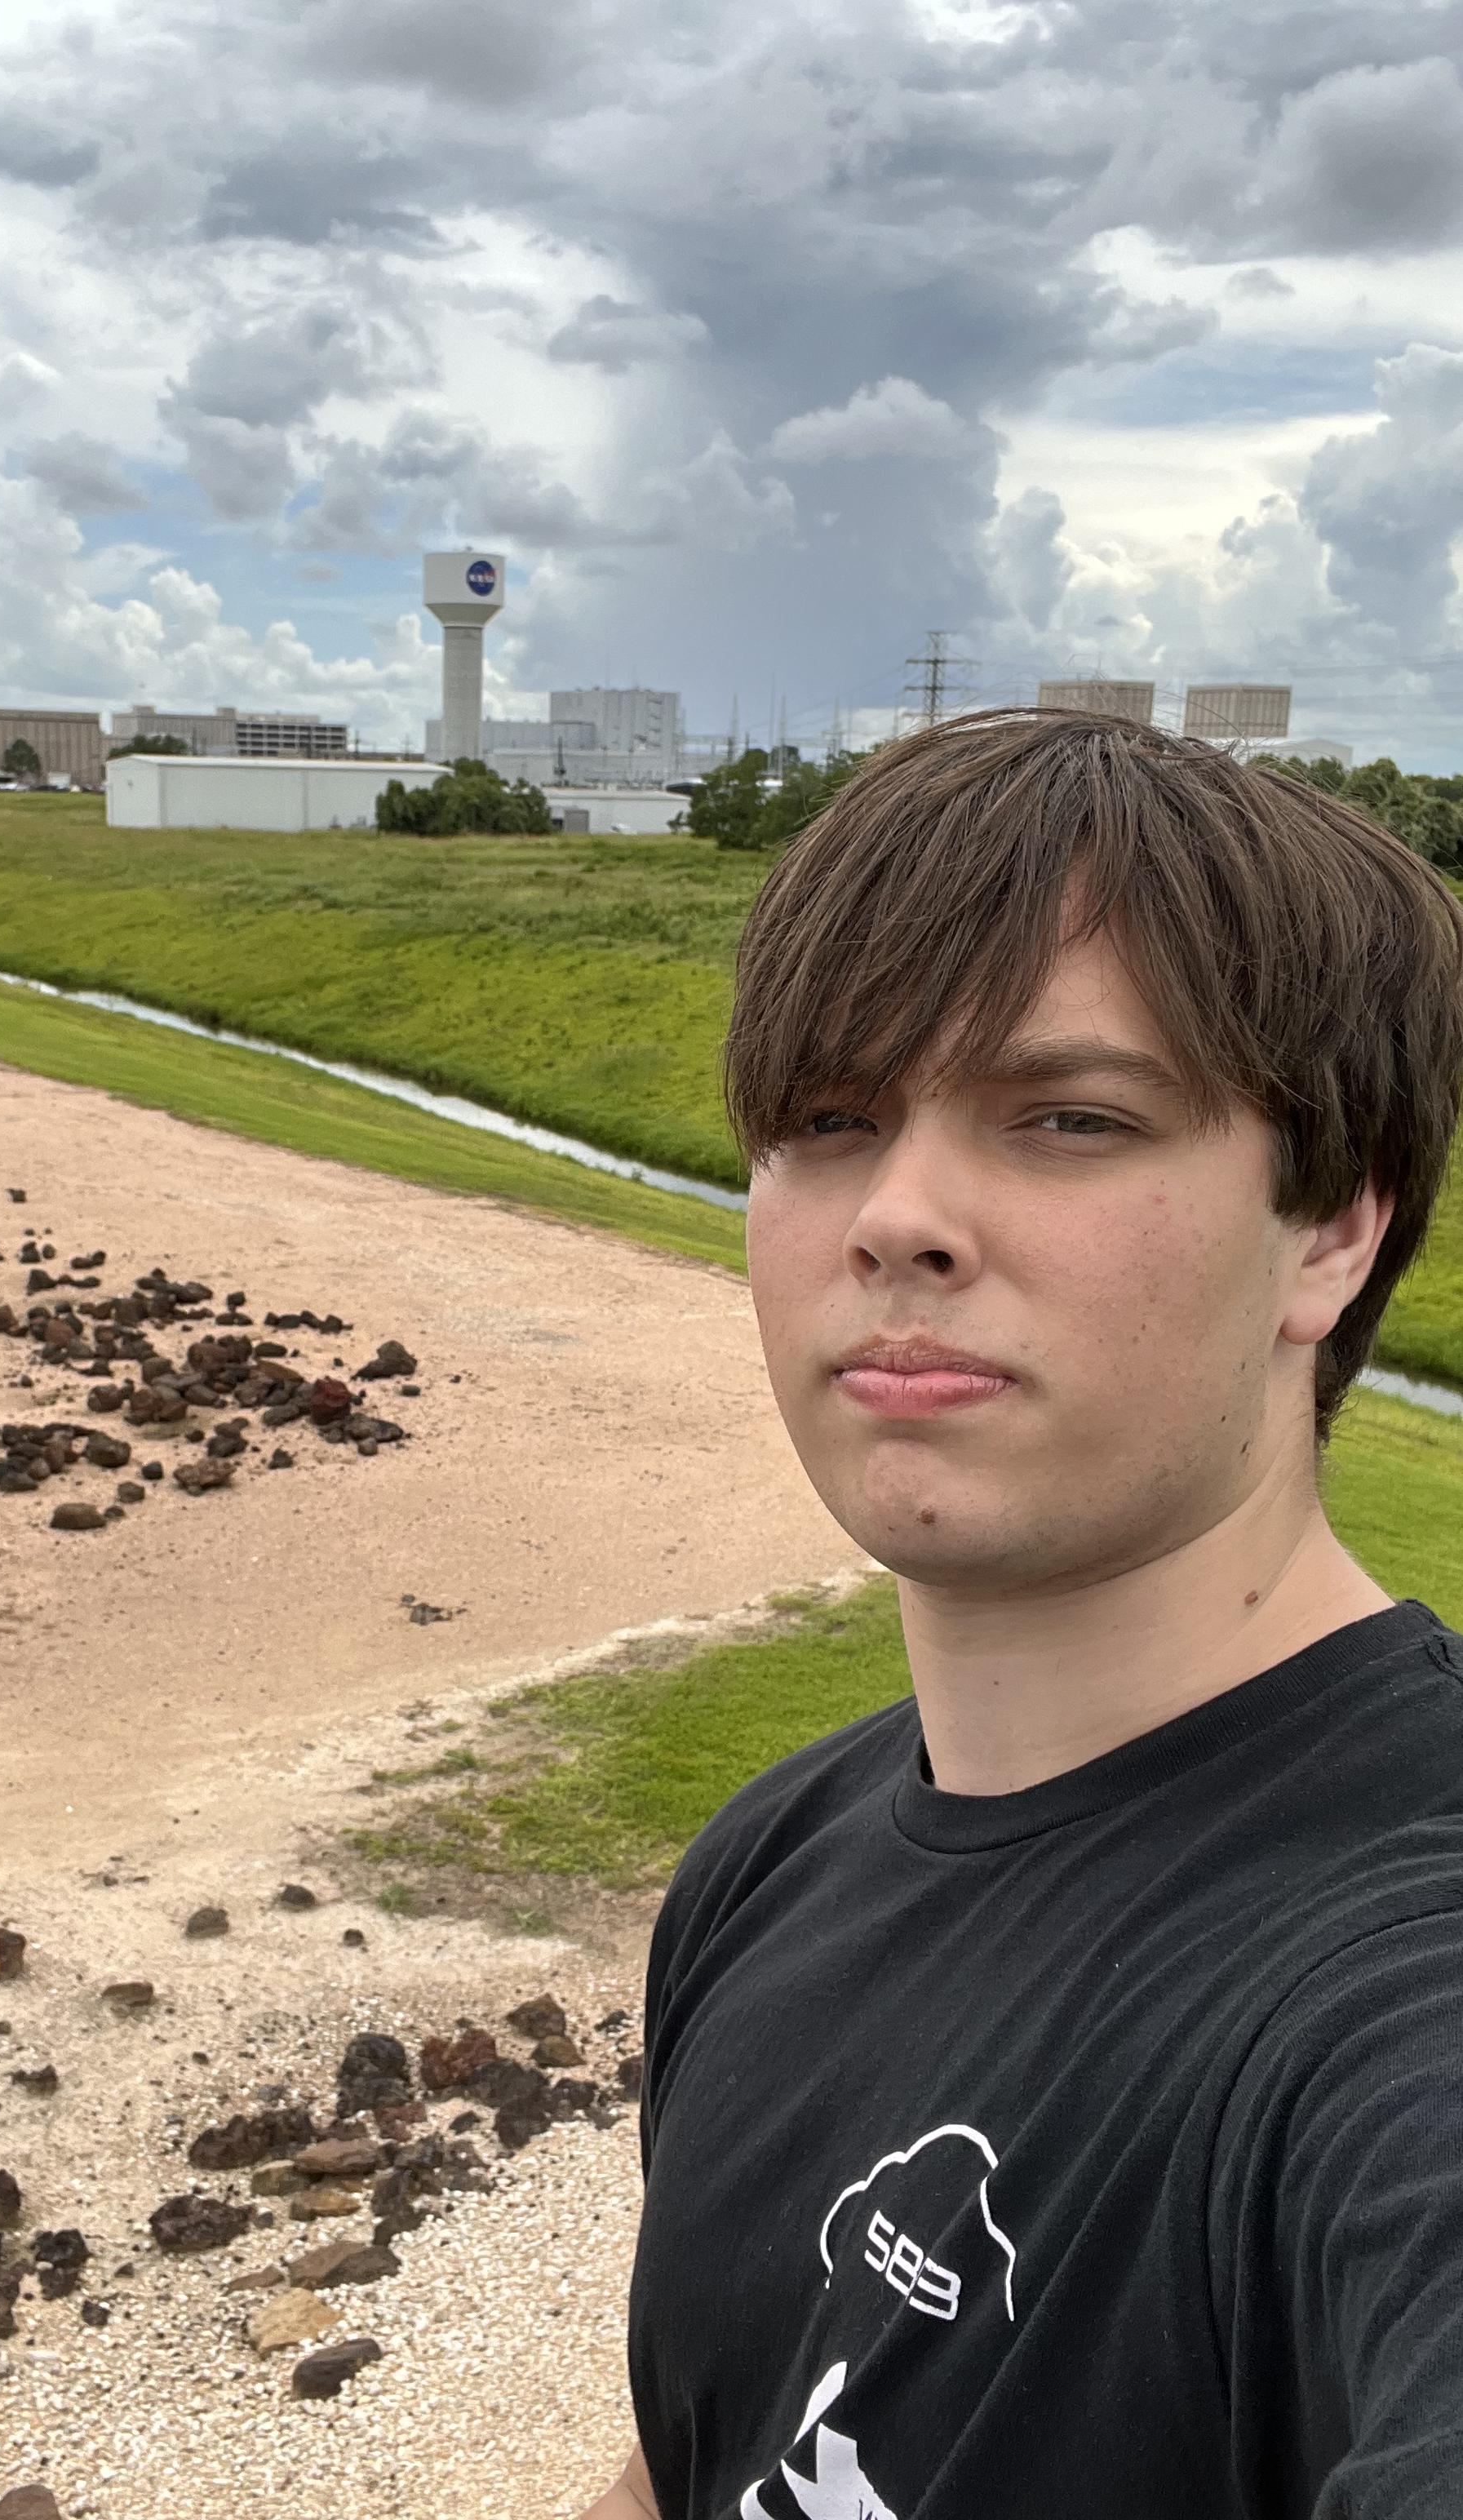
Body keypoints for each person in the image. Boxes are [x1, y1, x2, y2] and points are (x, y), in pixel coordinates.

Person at [579, 709, 1463, 2520]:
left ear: (1334, 1228)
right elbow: (715, 2458)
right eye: (828, 1120)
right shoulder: (768, 1863)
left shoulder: (1397, 1981)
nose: (898, 1214)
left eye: (1068, 1116)